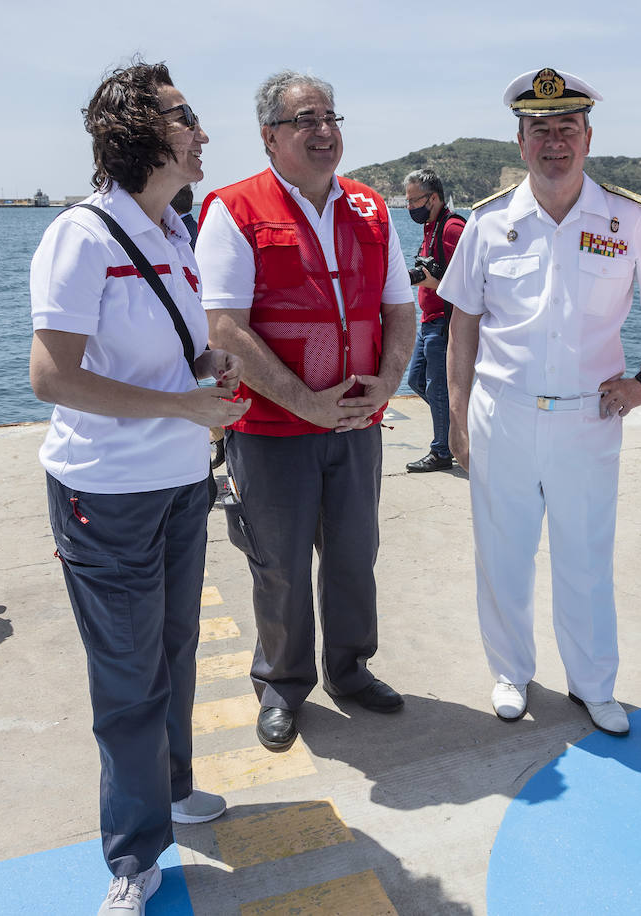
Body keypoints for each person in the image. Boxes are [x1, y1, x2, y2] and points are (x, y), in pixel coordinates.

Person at [28, 62, 246, 916]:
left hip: (180, 478)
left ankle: (173, 786)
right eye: (184, 115)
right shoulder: (80, 237)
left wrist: (207, 364)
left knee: (176, 649)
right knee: (128, 674)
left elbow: (172, 346)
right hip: (106, 492)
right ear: (137, 132)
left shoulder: (174, 232)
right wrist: (183, 403)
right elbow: (51, 376)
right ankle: (135, 851)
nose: (200, 130)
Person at [438, 67, 641, 735]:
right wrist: (458, 416)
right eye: (540, 130)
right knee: (503, 553)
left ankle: (593, 684)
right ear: (519, 142)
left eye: (567, 129)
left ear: (588, 137)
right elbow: (462, 324)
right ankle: (510, 673)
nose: (555, 142)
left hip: (589, 416)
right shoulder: (489, 224)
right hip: (504, 413)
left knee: (585, 555)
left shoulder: (626, 217)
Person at [197, 70, 415, 753]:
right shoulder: (233, 210)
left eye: (331, 117)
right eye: (306, 120)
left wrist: (387, 382)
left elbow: (400, 308)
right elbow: (225, 329)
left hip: (355, 424)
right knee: (281, 564)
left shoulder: (372, 210)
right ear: (270, 136)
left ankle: (350, 671)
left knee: (354, 555)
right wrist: (303, 403)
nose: (324, 131)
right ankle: (283, 686)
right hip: (271, 431)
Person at [402, 167, 465, 472]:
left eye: (415, 201)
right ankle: (458, 428)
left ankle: (442, 451)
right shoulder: (431, 228)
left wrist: (433, 284)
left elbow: (468, 284)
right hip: (429, 322)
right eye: (408, 202)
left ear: (435, 198)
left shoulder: (452, 229)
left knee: (438, 388)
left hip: (445, 322)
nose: (411, 207)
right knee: (416, 380)